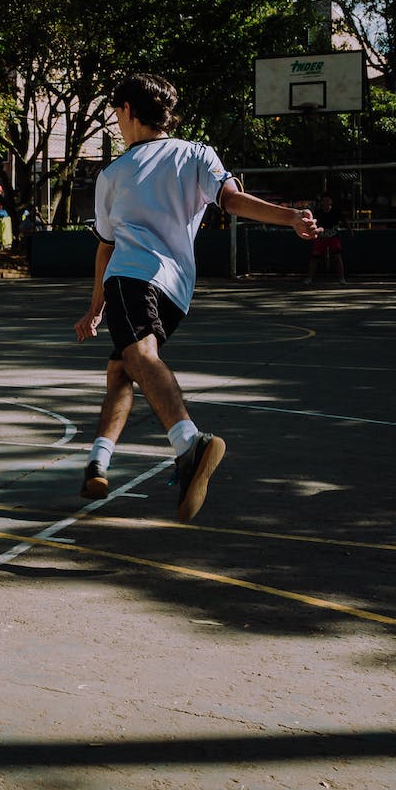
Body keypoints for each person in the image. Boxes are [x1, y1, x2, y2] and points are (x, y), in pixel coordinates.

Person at [75, 73, 320, 521]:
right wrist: (290, 218)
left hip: (131, 278)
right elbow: (232, 201)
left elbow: (106, 247)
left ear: (128, 110)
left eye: (116, 111)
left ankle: (190, 444)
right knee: (122, 367)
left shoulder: (111, 174)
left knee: (140, 357)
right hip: (177, 291)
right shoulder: (198, 153)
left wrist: (97, 305)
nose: (116, 119)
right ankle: (98, 462)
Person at [303, 190, 346, 285]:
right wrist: (318, 231)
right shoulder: (318, 213)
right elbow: (314, 225)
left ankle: (342, 278)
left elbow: (344, 220)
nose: (326, 203)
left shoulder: (336, 211)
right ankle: (309, 278)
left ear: (331, 202)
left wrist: (350, 230)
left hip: (333, 237)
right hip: (321, 238)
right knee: (314, 257)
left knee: (337, 257)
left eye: (328, 200)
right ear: (321, 202)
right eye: (324, 200)